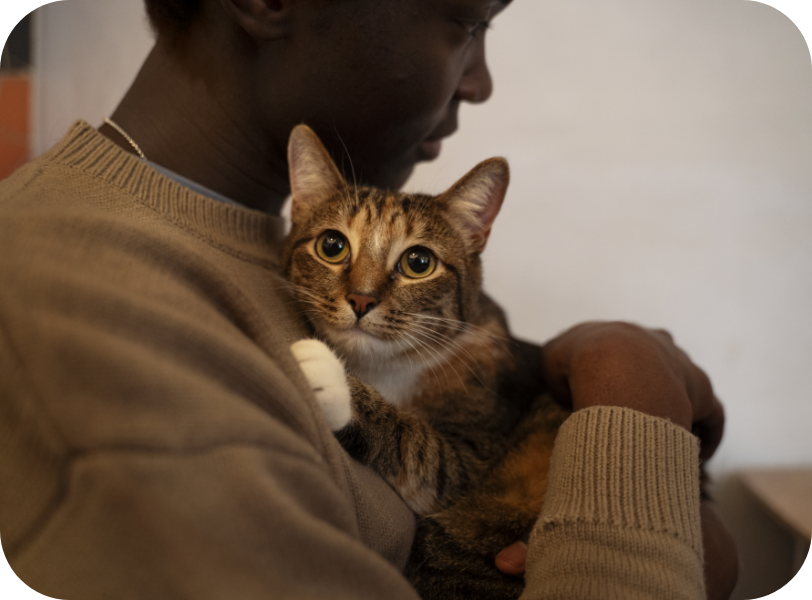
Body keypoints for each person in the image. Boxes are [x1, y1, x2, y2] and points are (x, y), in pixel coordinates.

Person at [0, 1, 737, 598]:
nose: (480, 83)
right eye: (466, 22)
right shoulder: (85, 324)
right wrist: (634, 398)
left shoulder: (261, 253)